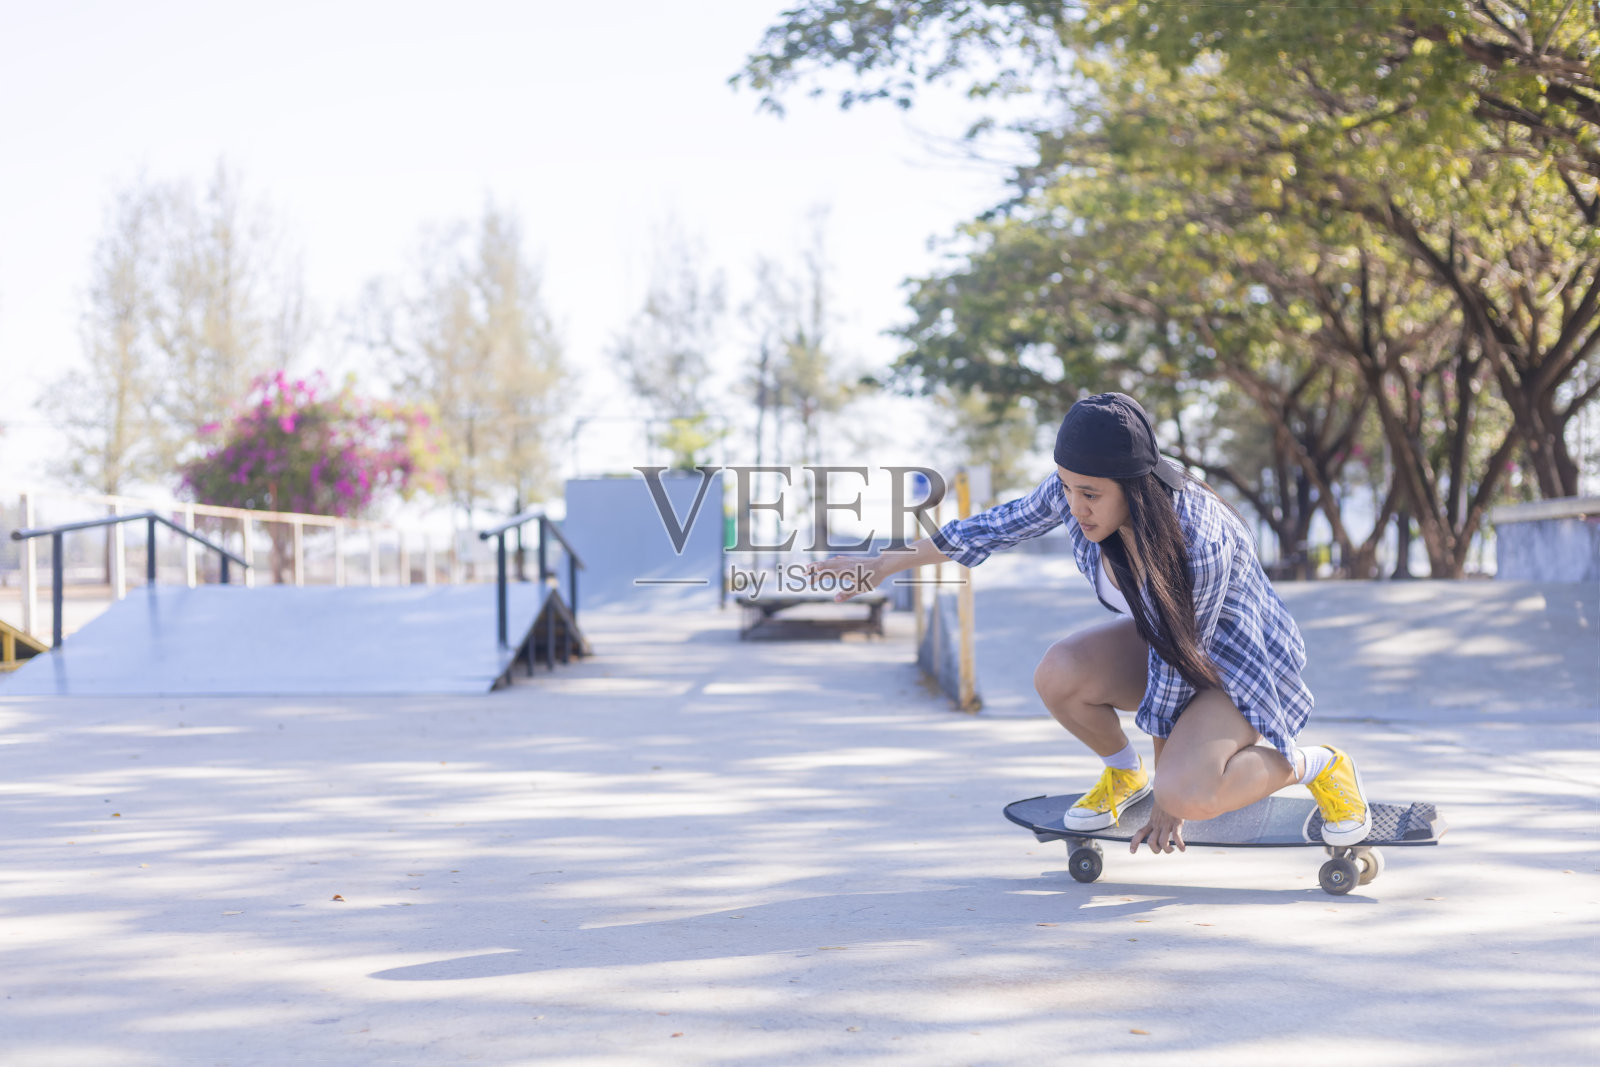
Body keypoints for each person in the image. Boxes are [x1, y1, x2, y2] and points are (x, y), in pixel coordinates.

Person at [808, 392, 1369, 854]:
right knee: (1062, 671)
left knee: (1189, 794)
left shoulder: (1199, 538)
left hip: (1238, 668)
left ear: (1135, 486)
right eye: (1068, 487)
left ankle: (1319, 764)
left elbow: (1177, 664)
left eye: (1091, 494)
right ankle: (1125, 776)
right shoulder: (1076, 489)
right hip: (1165, 646)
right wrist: (882, 564)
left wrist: (1170, 800)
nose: (1076, 506)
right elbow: (995, 526)